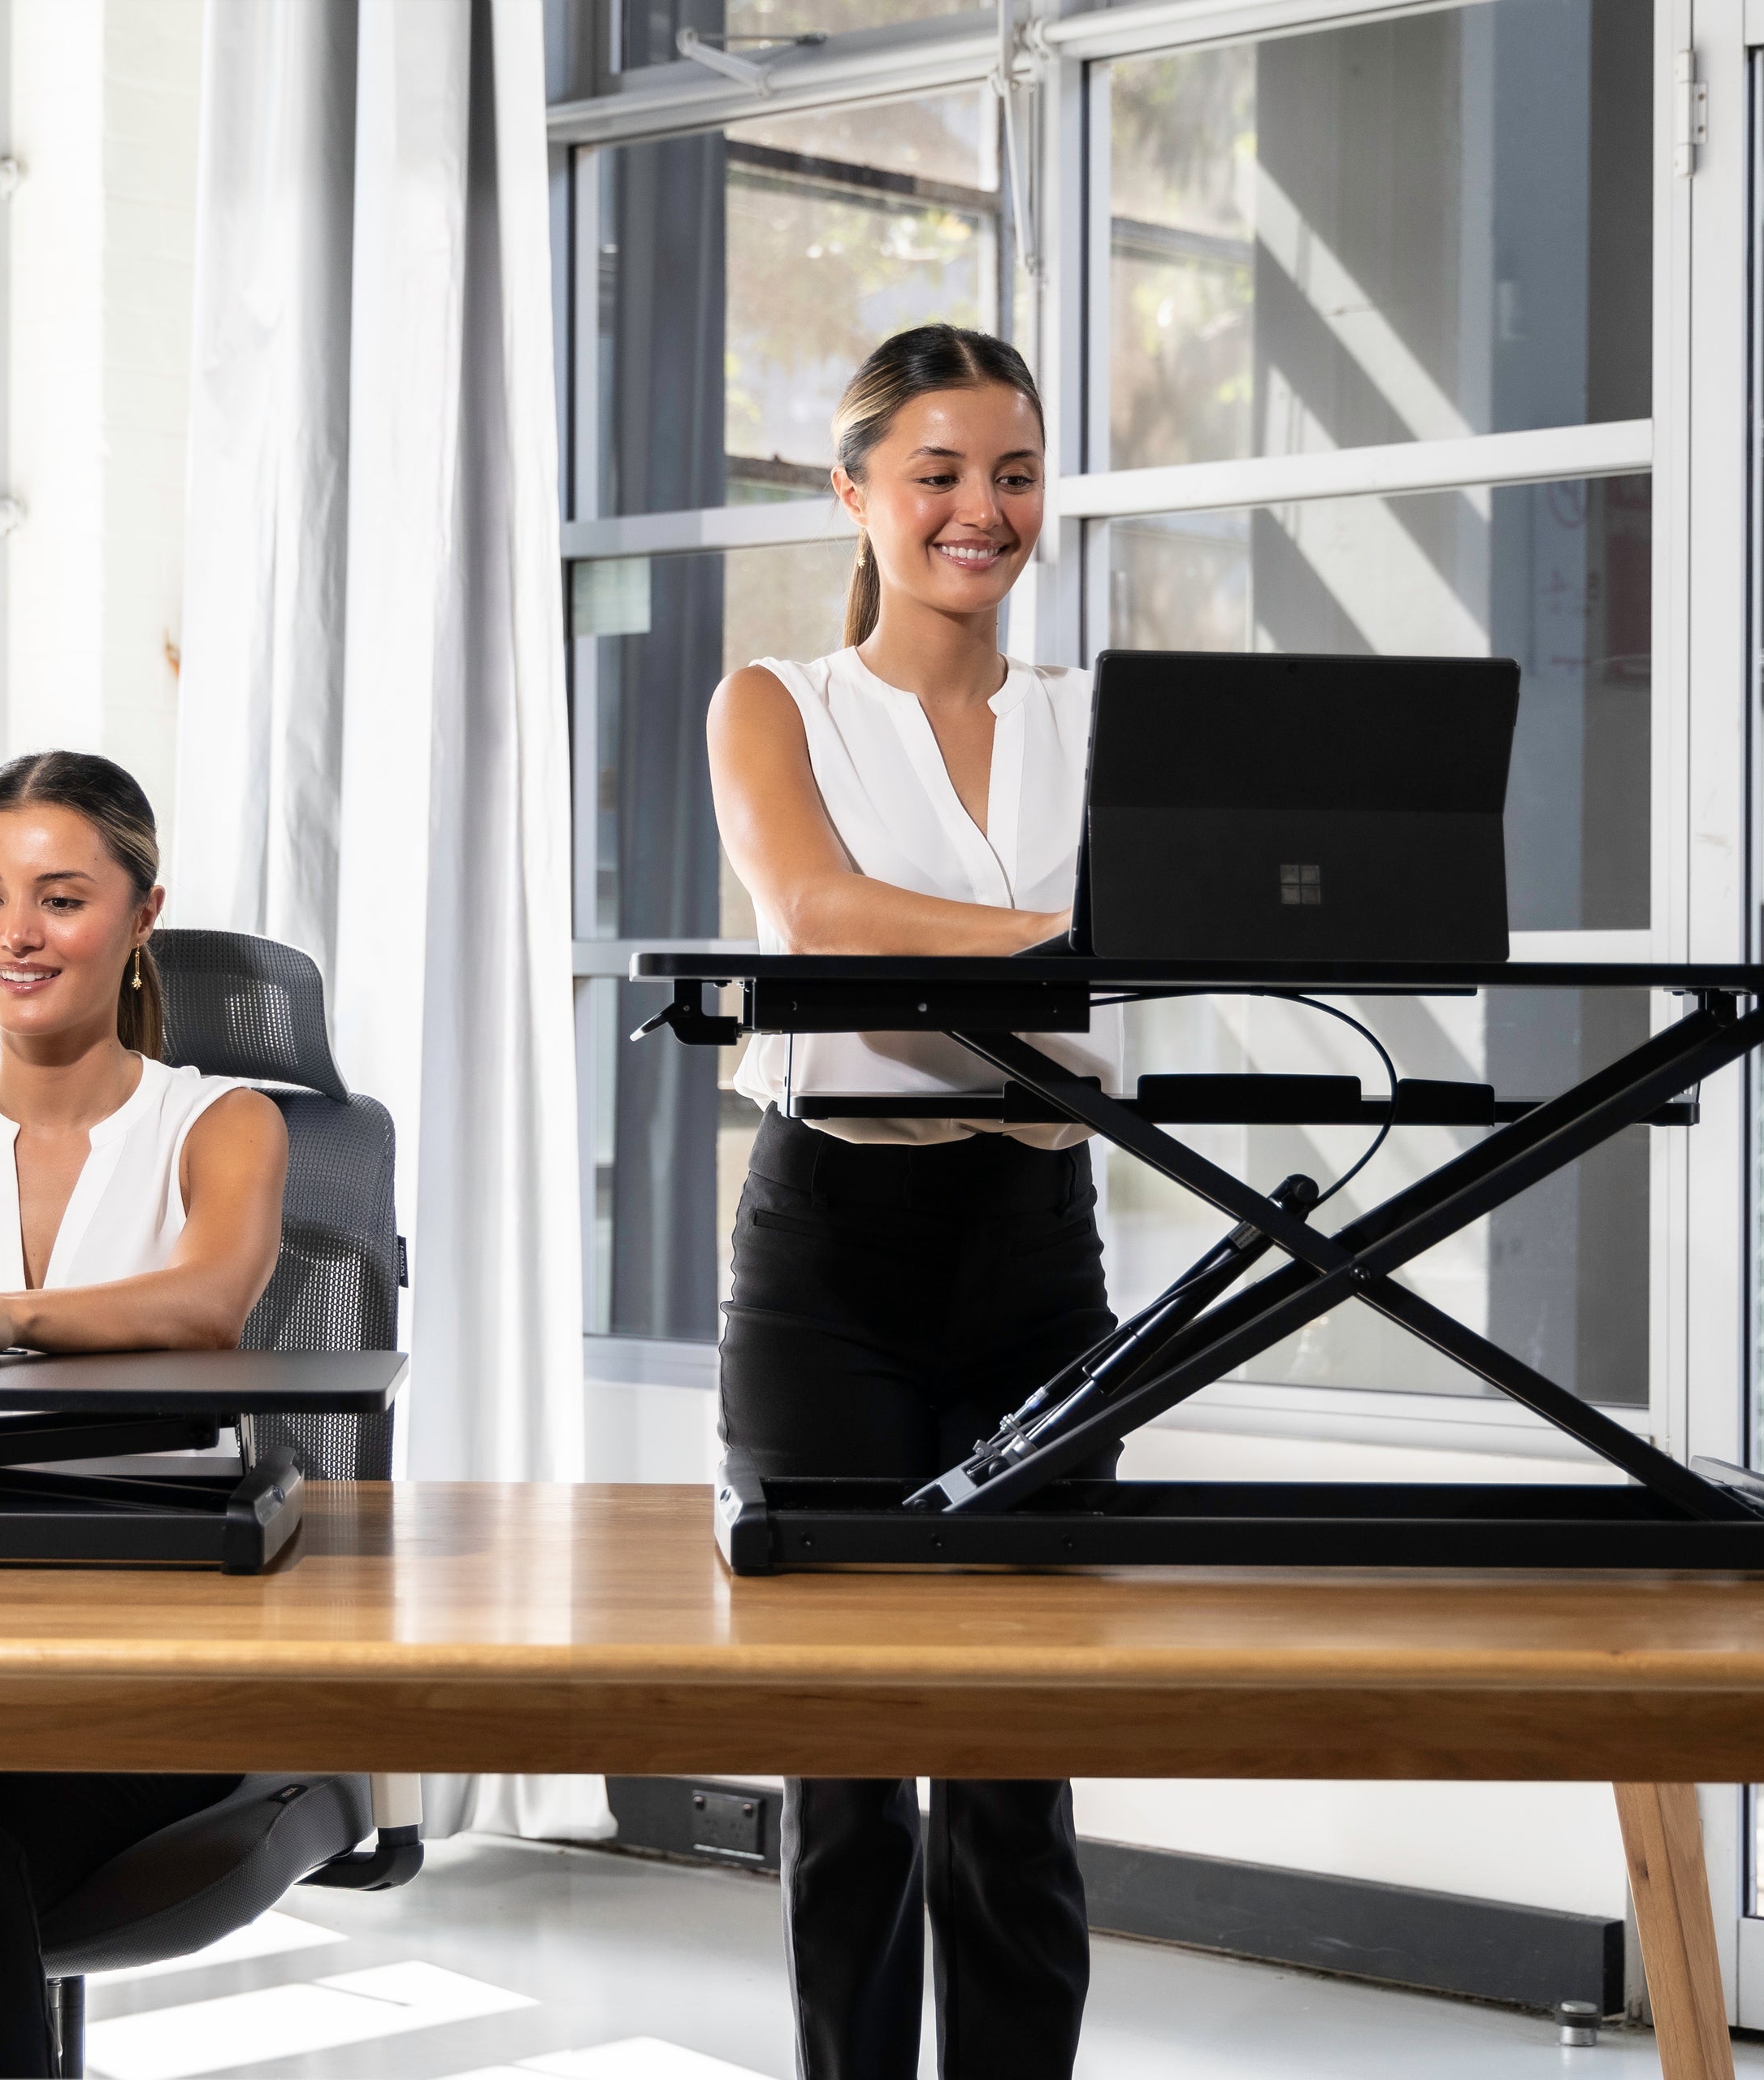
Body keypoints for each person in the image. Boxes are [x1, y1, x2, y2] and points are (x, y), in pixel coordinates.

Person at [706, 323, 1126, 2080]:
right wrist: (1067, 946)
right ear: (857, 492)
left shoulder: (1098, 721)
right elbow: (818, 915)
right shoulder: (776, 704)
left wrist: (1002, 949)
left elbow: (1140, 960)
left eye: (1015, 473)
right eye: (940, 472)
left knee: (1018, 1770)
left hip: (1039, 1249)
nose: (982, 509)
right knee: (853, 1769)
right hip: (833, 1265)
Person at [0, 749, 290, 2078]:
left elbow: (209, 1299)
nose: (13, 936)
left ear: (143, 914)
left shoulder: (225, 1120)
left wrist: (3, 1316)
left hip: (140, 1646)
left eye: (59, 898)